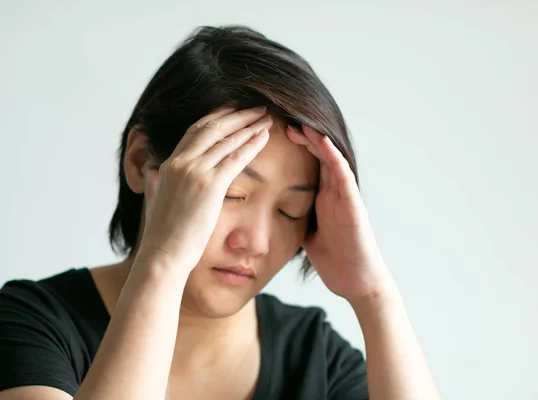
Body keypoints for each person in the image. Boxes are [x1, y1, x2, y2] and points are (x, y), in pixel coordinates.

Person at [0, 25, 440, 400]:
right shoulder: (31, 323)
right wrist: (164, 263)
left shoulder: (315, 357)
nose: (256, 241)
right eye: (232, 194)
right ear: (139, 161)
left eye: (290, 210)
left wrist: (375, 299)